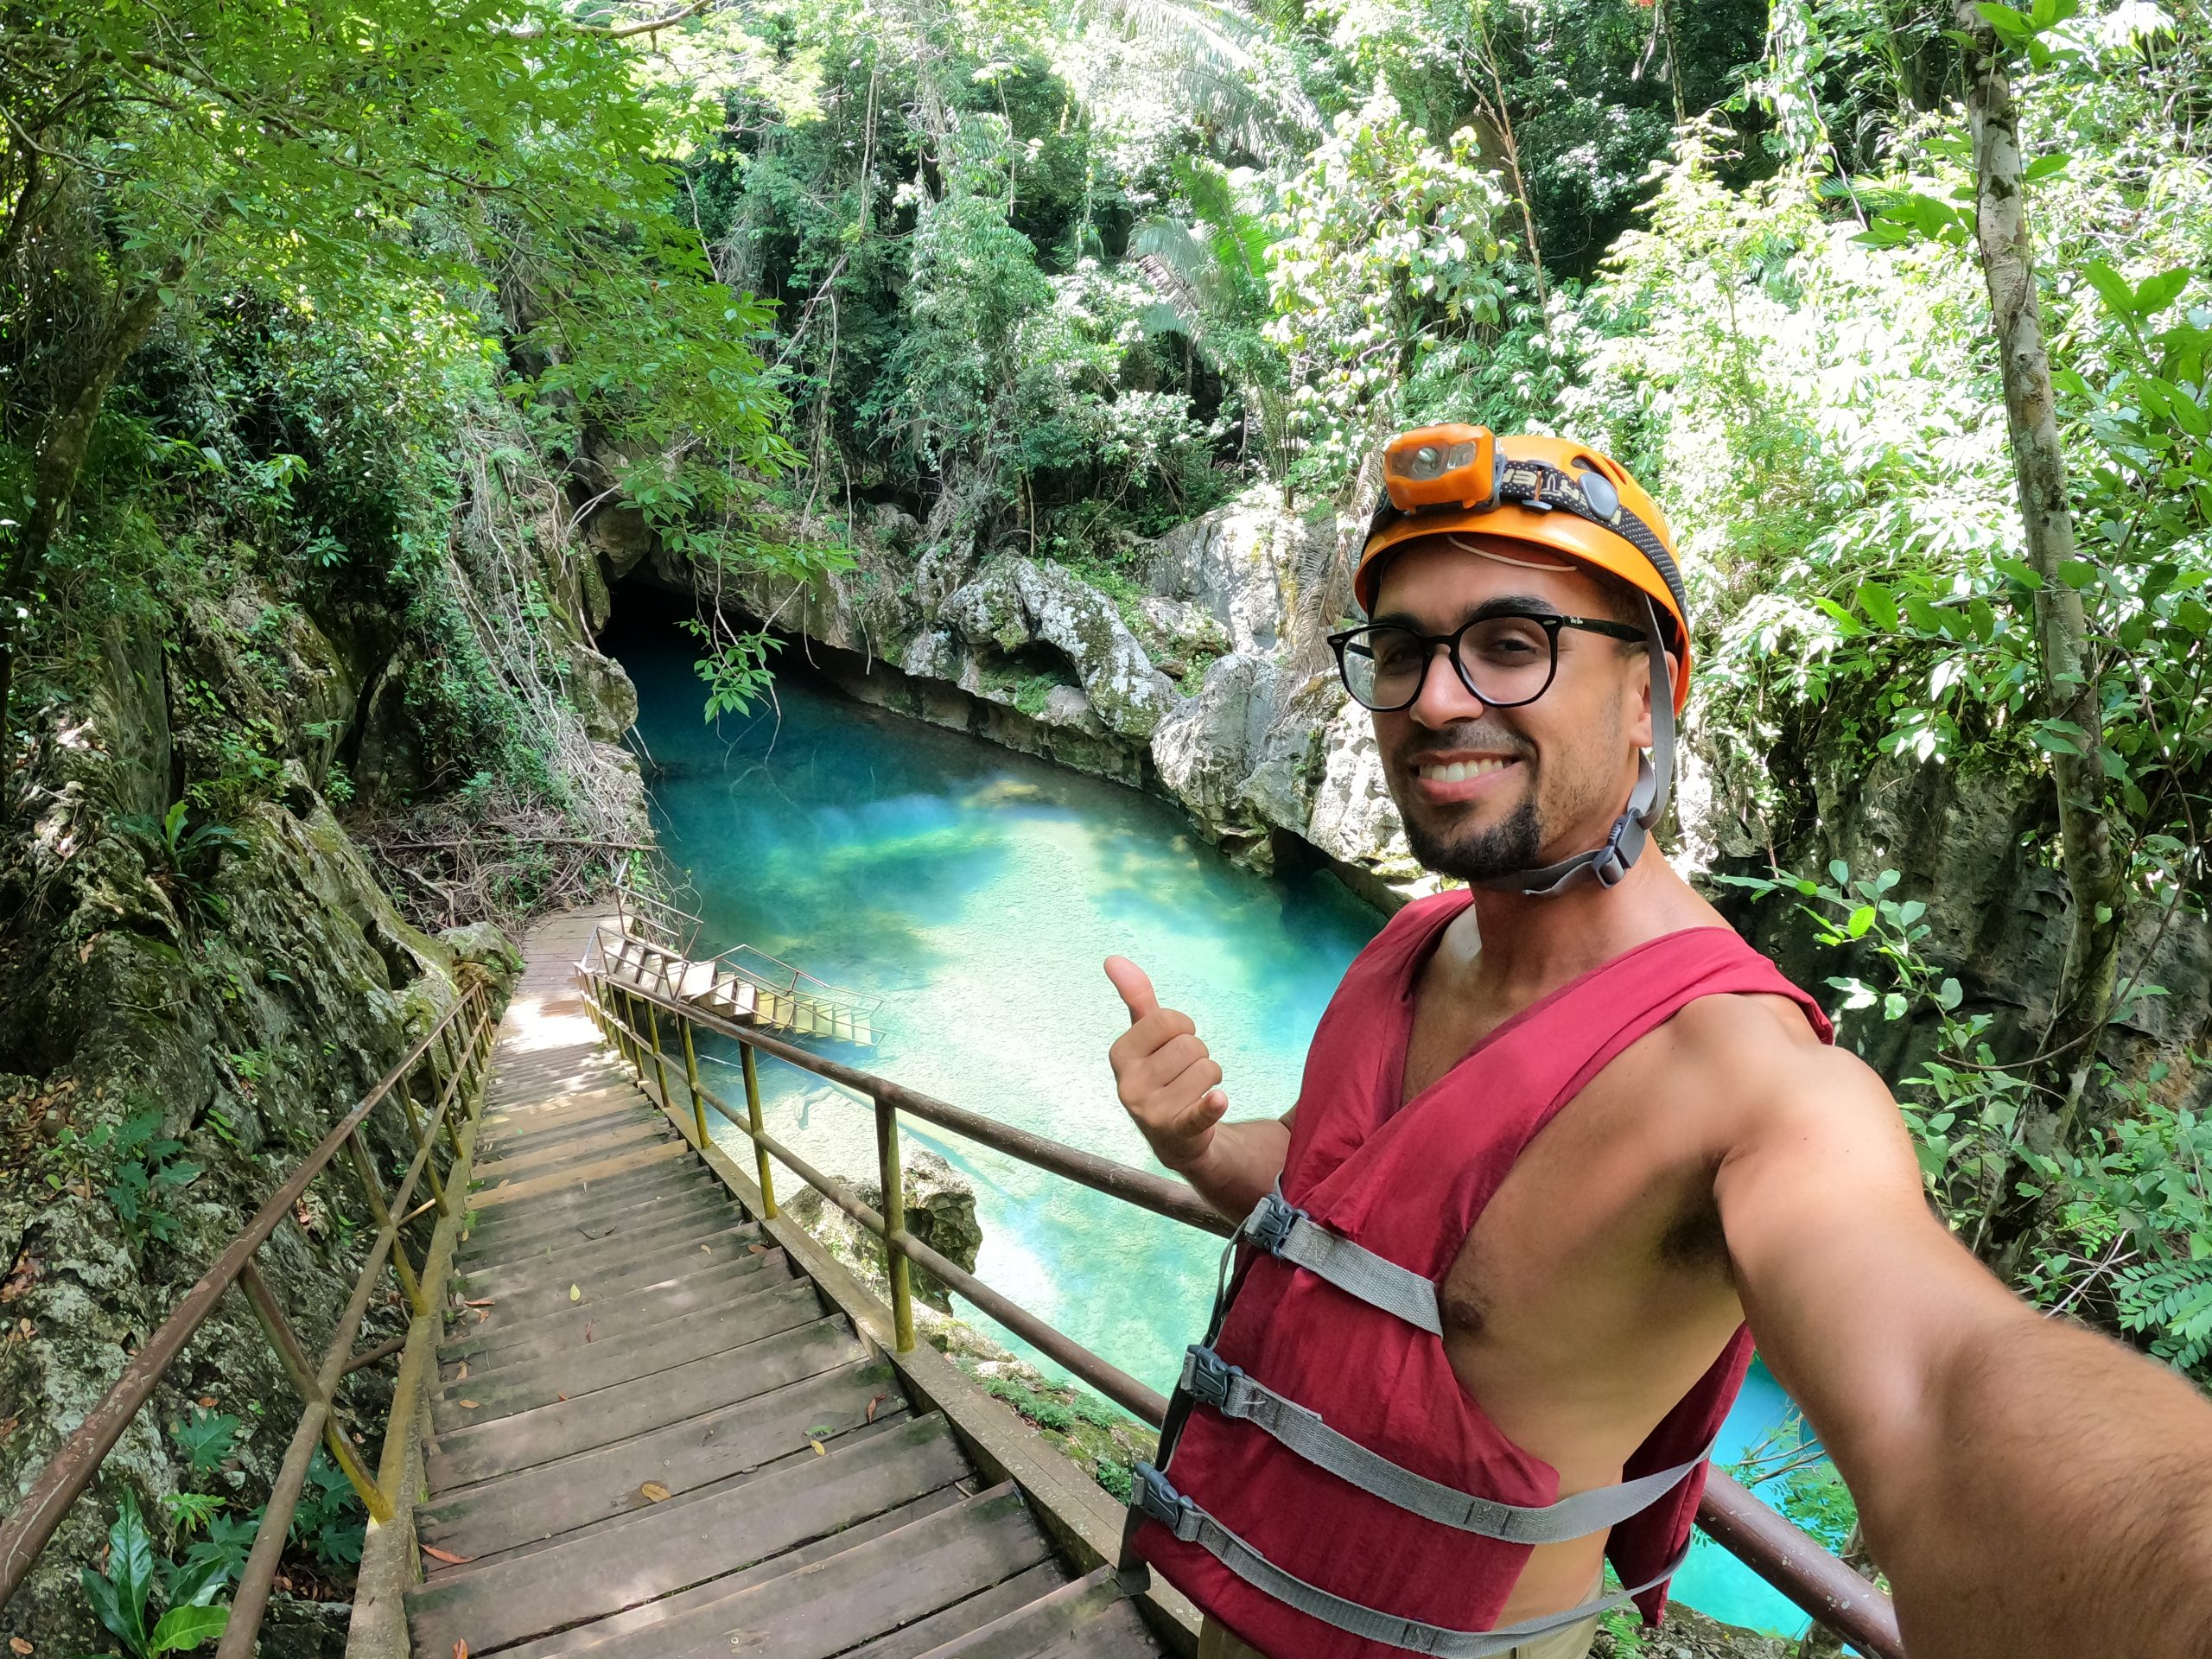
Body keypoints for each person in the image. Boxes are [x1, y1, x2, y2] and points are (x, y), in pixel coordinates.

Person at [1102, 427, 2212, 1659]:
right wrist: (1200, 1147)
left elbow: (1942, 1388)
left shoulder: (1749, 1084)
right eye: (1403, 652)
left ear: (1650, 693)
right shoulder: (1410, 947)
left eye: (1513, 647)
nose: (1437, 699)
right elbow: (1334, 1193)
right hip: (1238, 1619)